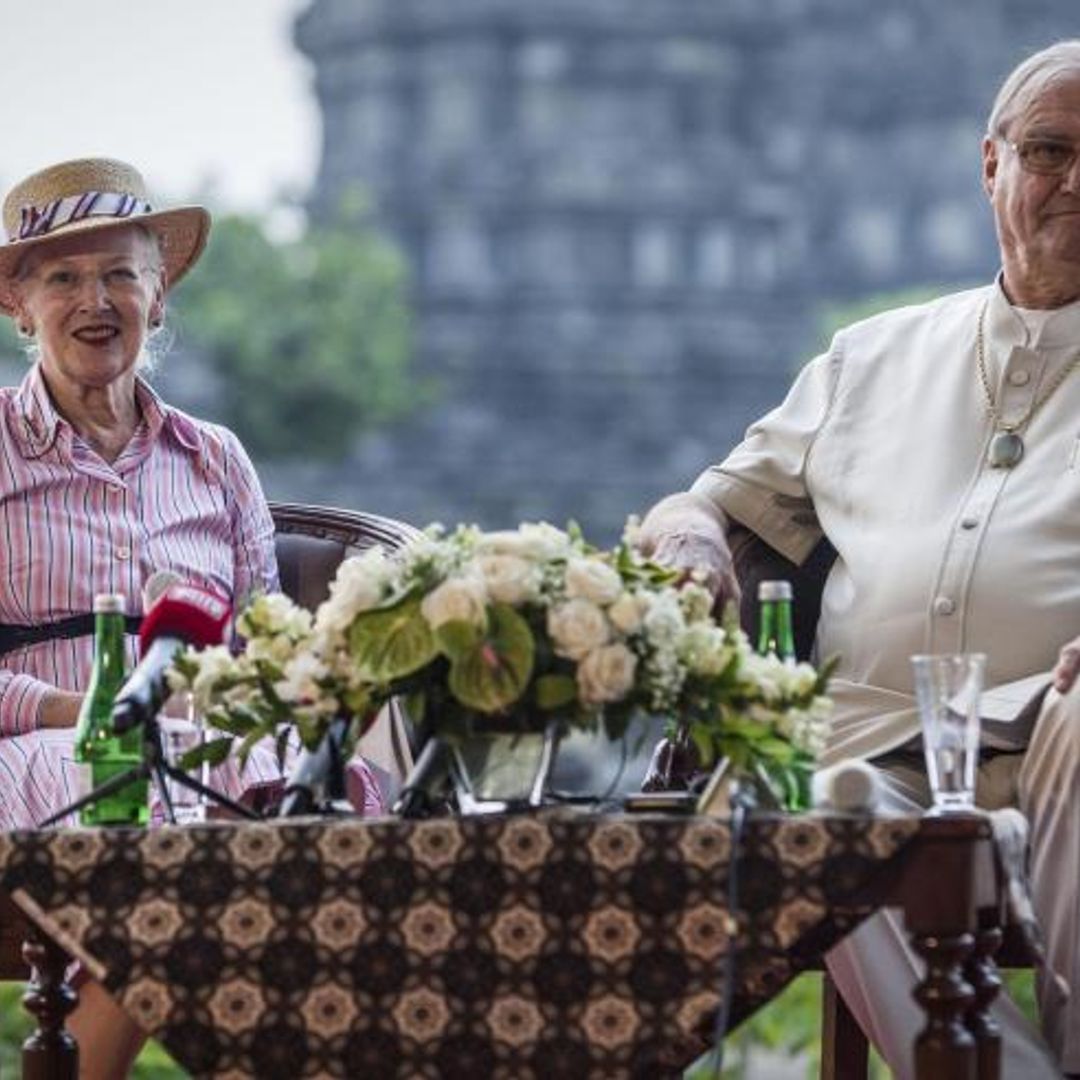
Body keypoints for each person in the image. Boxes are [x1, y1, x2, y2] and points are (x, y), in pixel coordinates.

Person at [639, 39, 1080, 1079]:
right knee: (814, 802)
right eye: (1051, 150)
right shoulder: (871, 359)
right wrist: (695, 535)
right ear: (991, 166)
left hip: (1053, 741)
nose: (1075, 182)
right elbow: (701, 504)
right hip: (868, 748)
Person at [0, 157, 378, 1076]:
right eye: (63, 277)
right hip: (38, 744)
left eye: (121, 274)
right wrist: (82, 713)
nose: (97, 300)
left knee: (320, 806)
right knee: (155, 814)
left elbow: (271, 649)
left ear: (159, 296)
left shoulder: (214, 460)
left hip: (204, 741)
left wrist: (255, 710)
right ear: (18, 305)